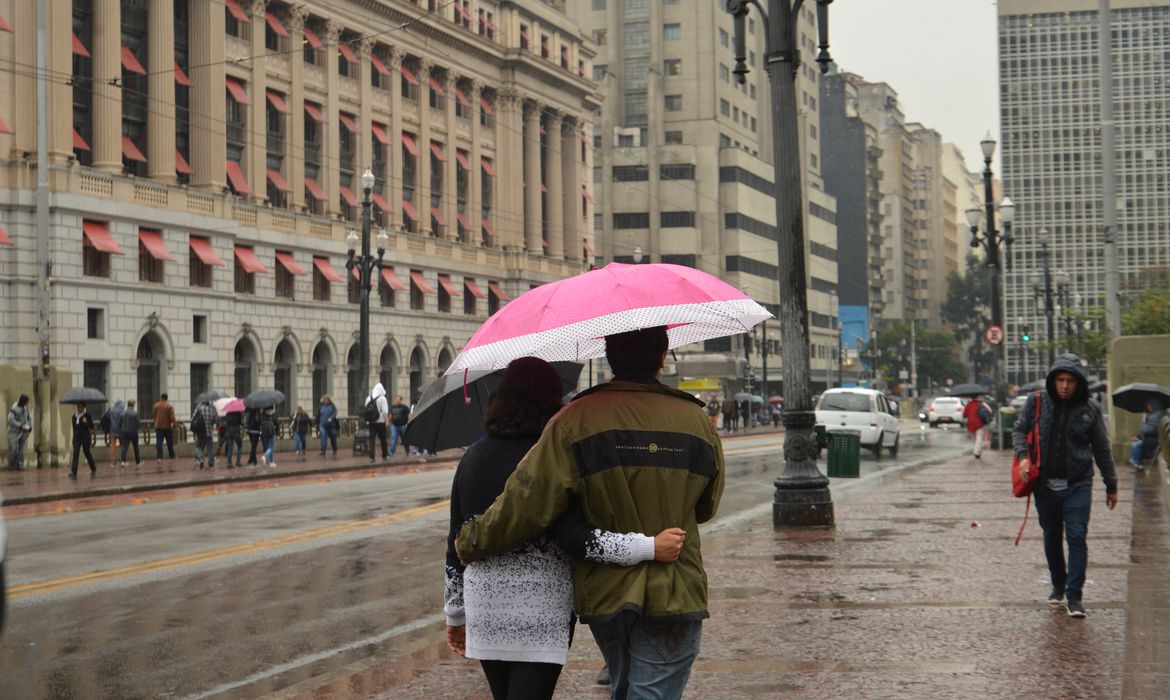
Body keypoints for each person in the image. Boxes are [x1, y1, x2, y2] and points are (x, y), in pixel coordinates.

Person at [457, 326, 725, 698]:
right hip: (673, 590)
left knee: (625, 686)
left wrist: (471, 540)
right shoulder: (697, 420)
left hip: (607, 592)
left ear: (609, 354)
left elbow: (528, 501)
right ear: (662, 356)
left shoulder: (574, 419)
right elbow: (707, 506)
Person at [1013, 353, 1118, 618]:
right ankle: (1058, 585)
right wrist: (1023, 458)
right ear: (1052, 380)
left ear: (1079, 382)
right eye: (1060, 379)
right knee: (1051, 537)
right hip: (1045, 485)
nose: (1064, 386)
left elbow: (1102, 449)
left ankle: (1075, 596)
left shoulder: (1090, 409)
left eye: (1070, 380)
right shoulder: (1036, 402)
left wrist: (1111, 484)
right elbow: (1019, 430)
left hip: (1078, 484)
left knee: (1076, 536)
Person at [1128, 398, 1165, 470]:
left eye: (1149, 405)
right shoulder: (1152, 415)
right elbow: (1146, 430)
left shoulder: (1157, 415)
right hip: (1150, 439)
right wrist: (1138, 437)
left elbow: (1149, 430)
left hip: (1154, 441)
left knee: (1136, 445)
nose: (1148, 407)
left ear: (1154, 405)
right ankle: (1136, 462)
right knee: (1135, 442)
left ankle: (1136, 462)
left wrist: (1142, 424)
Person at [69, 403, 97, 479]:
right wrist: (74, 438)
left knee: (87, 452)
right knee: (76, 453)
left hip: (85, 437)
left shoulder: (87, 416)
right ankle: (73, 471)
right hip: (77, 438)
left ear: (84, 407)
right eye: (78, 406)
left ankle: (93, 467)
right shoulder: (74, 417)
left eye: (80, 407)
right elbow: (74, 428)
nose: (79, 408)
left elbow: (91, 426)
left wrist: (86, 423)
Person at [366, 382, 390, 463]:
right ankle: (385, 456)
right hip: (380, 422)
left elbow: (366, 411)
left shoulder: (368, 398)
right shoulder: (383, 398)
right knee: (383, 440)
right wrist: (387, 421)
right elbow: (385, 411)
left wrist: (367, 420)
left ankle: (372, 458)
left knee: (372, 440)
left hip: (371, 422)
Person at [191, 400, 219, 470]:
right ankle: (211, 464)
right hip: (209, 431)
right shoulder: (212, 408)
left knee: (199, 446)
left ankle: (201, 460)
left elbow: (193, 418)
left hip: (200, 431)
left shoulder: (199, 407)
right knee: (210, 447)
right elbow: (215, 420)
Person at [7, 394, 32, 471]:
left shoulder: (26, 408)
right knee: (15, 449)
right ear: (23, 401)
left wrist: (29, 429)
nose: (27, 403)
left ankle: (20, 466)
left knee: (21, 450)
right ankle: (12, 465)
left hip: (24, 432)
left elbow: (29, 418)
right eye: (27, 401)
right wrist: (20, 425)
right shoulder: (14, 409)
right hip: (14, 432)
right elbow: (11, 420)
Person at [963, 394, 990, 459]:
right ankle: (977, 452)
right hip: (979, 423)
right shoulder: (980, 404)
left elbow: (964, 415)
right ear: (977, 397)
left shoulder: (968, 405)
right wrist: (986, 421)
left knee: (974, 439)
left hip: (970, 424)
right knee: (979, 438)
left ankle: (975, 450)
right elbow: (983, 414)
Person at [152, 393, 176, 461]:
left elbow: (153, 414)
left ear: (161, 398)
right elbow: (172, 417)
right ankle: (171, 456)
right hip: (167, 426)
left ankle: (159, 456)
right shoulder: (169, 406)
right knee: (169, 442)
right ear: (167, 398)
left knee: (159, 442)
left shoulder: (156, 405)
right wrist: (174, 424)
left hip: (158, 426)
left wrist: (155, 422)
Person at [101, 399, 125, 467]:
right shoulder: (122, 411)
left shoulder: (111, 410)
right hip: (121, 430)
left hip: (112, 430)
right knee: (123, 446)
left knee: (113, 446)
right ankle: (123, 461)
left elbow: (106, 417)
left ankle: (113, 462)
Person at [119, 399, 141, 467]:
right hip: (133, 432)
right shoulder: (135, 413)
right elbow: (138, 423)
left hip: (125, 432)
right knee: (136, 447)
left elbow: (120, 423)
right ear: (133, 405)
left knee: (124, 447)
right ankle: (138, 462)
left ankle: (123, 462)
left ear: (128, 405)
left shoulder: (122, 413)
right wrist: (137, 428)